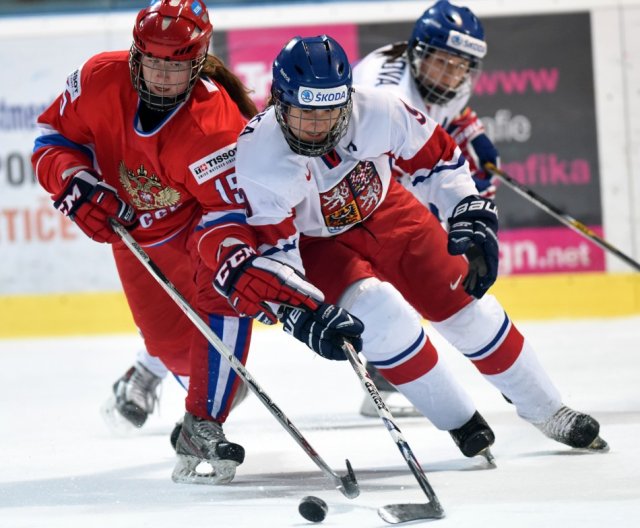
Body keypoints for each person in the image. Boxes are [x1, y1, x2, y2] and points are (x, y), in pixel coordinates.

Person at [228, 34, 608, 459]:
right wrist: (299, 307)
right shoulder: (258, 157)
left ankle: (548, 409)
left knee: (467, 305)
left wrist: (467, 207)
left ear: (348, 98)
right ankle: (461, 421)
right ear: (278, 101)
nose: (318, 126)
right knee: (381, 319)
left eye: (330, 111)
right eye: (305, 113)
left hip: (389, 211)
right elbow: (276, 251)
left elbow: (439, 160)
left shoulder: (379, 109)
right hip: (315, 244)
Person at [32, 0, 362, 485]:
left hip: (198, 229)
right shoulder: (100, 77)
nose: (163, 75)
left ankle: (203, 421)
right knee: (176, 349)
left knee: (226, 294)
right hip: (132, 234)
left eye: (177, 64)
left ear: (198, 58)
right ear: (135, 53)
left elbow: (230, 217)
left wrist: (251, 276)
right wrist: (72, 180)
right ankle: (157, 368)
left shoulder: (216, 124)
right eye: (154, 62)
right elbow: (52, 137)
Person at [353, 0, 500, 417]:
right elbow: (387, 174)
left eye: (461, 67)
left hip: (402, 159)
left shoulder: (443, 75)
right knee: (403, 248)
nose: (451, 76)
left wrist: (475, 137)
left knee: (465, 205)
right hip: (357, 177)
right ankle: (386, 363)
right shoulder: (389, 96)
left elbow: (454, 110)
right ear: (419, 55)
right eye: (443, 64)